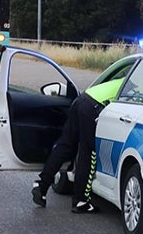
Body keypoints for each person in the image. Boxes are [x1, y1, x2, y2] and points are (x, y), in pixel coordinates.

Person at [32, 77, 125, 213]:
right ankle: (81, 201)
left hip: (81, 100)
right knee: (88, 153)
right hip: (93, 108)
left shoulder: (123, 77)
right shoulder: (138, 83)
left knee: (65, 145)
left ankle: (41, 186)